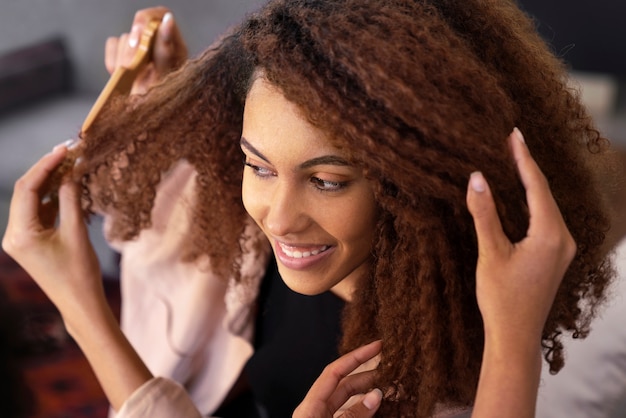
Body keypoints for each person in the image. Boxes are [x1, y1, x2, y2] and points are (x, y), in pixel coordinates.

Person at [1, 0, 615, 417]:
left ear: (413, 182)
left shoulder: (446, 350)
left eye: (326, 180)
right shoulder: (246, 241)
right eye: (258, 165)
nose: (276, 217)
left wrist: (80, 303)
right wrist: (160, 105)